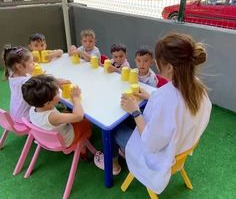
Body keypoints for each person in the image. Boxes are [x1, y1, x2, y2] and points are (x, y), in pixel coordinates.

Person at [94, 32, 212, 192]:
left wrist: (135, 111)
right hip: (181, 149)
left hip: (159, 158)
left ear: (169, 67)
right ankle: (122, 153)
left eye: (159, 62)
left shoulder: (165, 98)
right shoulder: (199, 87)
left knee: (112, 128)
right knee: (129, 121)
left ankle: (114, 164)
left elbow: (149, 143)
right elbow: (176, 112)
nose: (157, 65)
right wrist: (151, 96)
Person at [2, 45, 70, 124]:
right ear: (20, 67)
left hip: (15, 113)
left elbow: (35, 78)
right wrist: (57, 81)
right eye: (31, 62)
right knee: (45, 95)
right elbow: (44, 83)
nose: (34, 64)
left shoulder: (12, 74)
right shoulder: (25, 81)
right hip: (24, 117)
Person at [21, 74, 91, 148]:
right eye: (57, 91)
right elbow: (79, 116)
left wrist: (55, 82)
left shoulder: (33, 108)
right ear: (47, 103)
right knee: (85, 122)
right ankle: (83, 147)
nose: (59, 91)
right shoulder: (53, 117)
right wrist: (75, 98)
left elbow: (40, 84)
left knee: (66, 112)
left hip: (46, 137)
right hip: (65, 140)